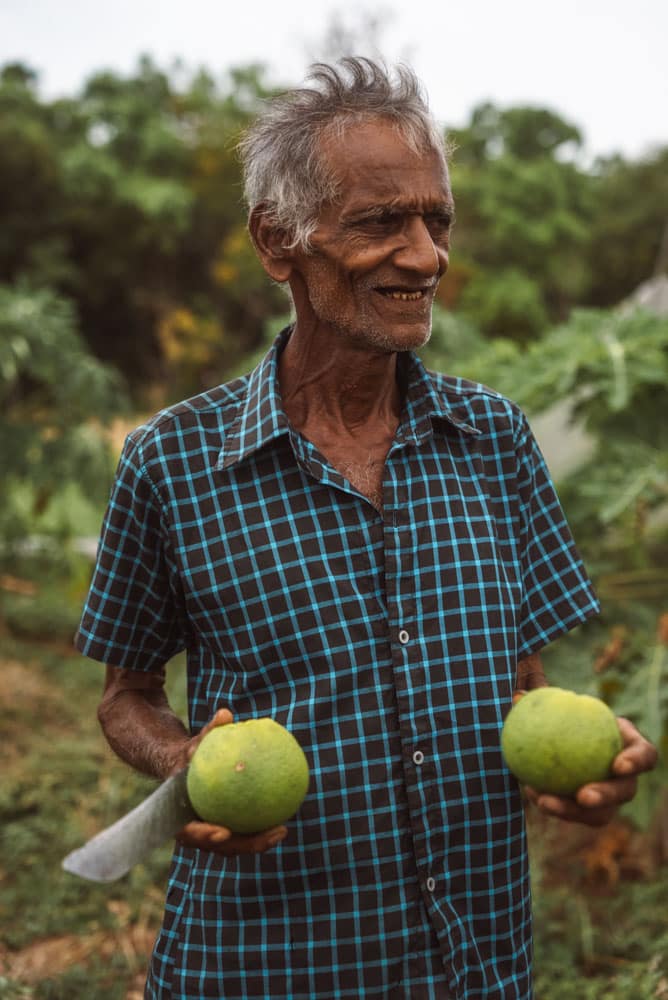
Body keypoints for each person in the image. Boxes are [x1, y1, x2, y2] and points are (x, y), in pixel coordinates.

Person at [76, 57, 657, 1000]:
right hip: (269, 964)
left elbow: (524, 692)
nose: (425, 256)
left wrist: (583, 768)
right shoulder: (173, 463)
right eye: (382, 222)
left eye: (437, 222)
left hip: (476, 961)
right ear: (279, 243)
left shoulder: (496, 441)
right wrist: (187, 762)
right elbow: (124, 695)